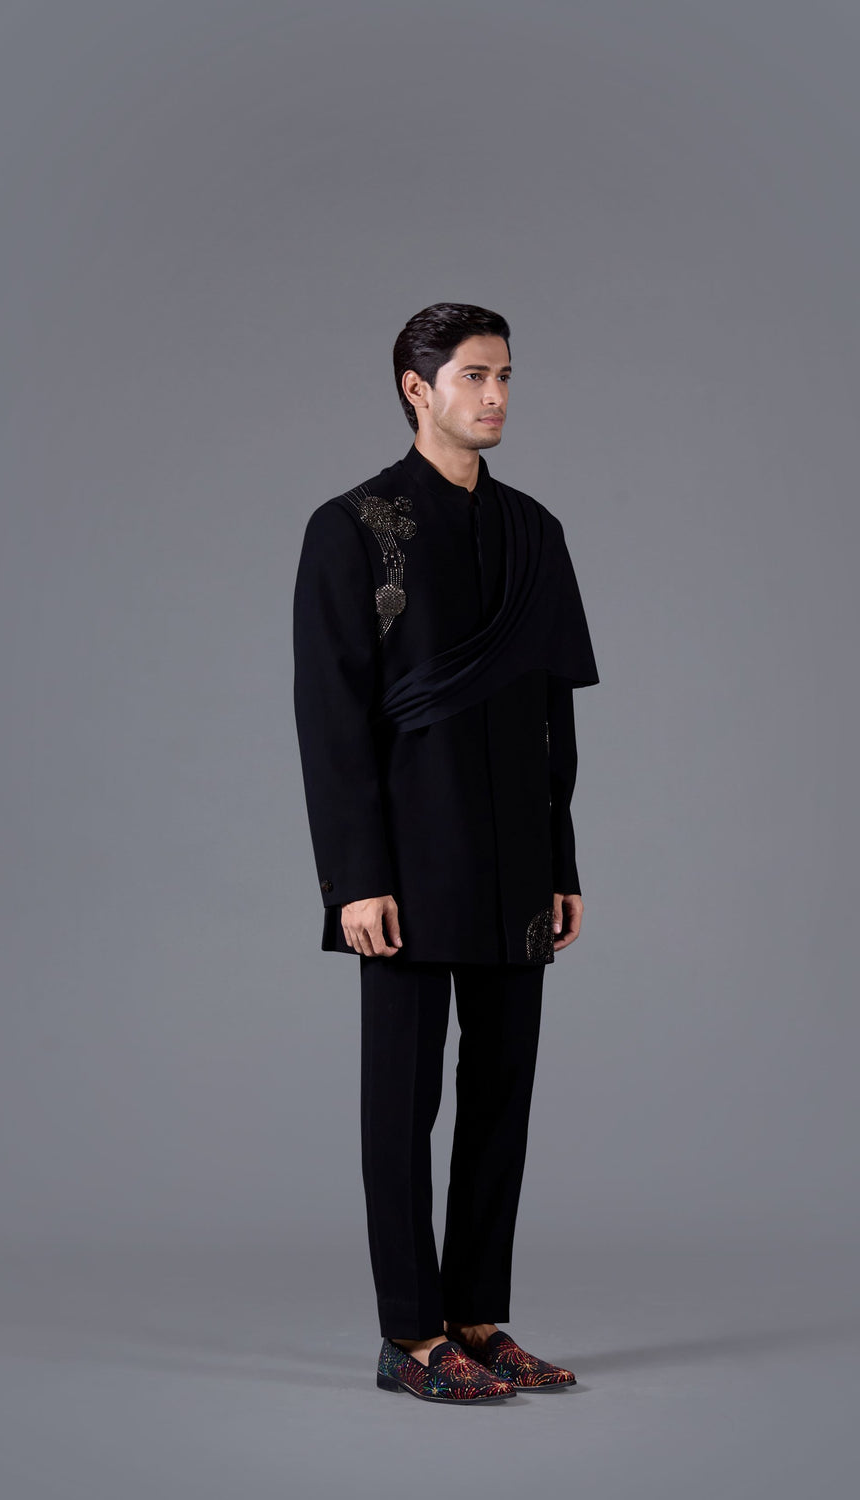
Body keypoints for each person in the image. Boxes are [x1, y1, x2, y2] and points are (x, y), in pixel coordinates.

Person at [292, 302, 599, 1404]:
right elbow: (331, 719)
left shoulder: (535, 531)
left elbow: (554, 714)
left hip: (517, 860)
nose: (497, 395)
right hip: (407, 863)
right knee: (402, 1101)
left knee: (502, 1094)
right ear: (416, 389)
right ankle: (410, 1336)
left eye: (505, 374)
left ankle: (476, 1317)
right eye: (474, 375)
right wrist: (354, 879)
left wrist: (562, 862)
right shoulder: (352, 526)